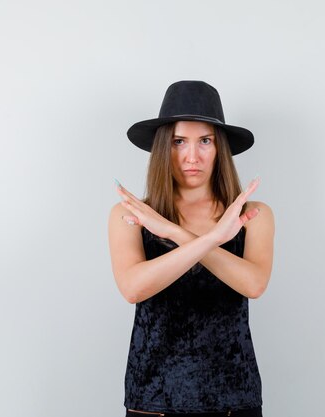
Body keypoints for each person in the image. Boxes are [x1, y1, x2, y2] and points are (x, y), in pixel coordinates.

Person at [108, 80, 275, 417]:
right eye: (178, 141)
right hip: (152, 400)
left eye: (205, 141)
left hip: (234, 399)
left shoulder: (252, 215)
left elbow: (253, 284)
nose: (192, 156)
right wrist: (212, 237)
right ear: (161, 148)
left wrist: (173, 232)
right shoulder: (131, 215)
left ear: (220, 148)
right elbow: (133, 288)